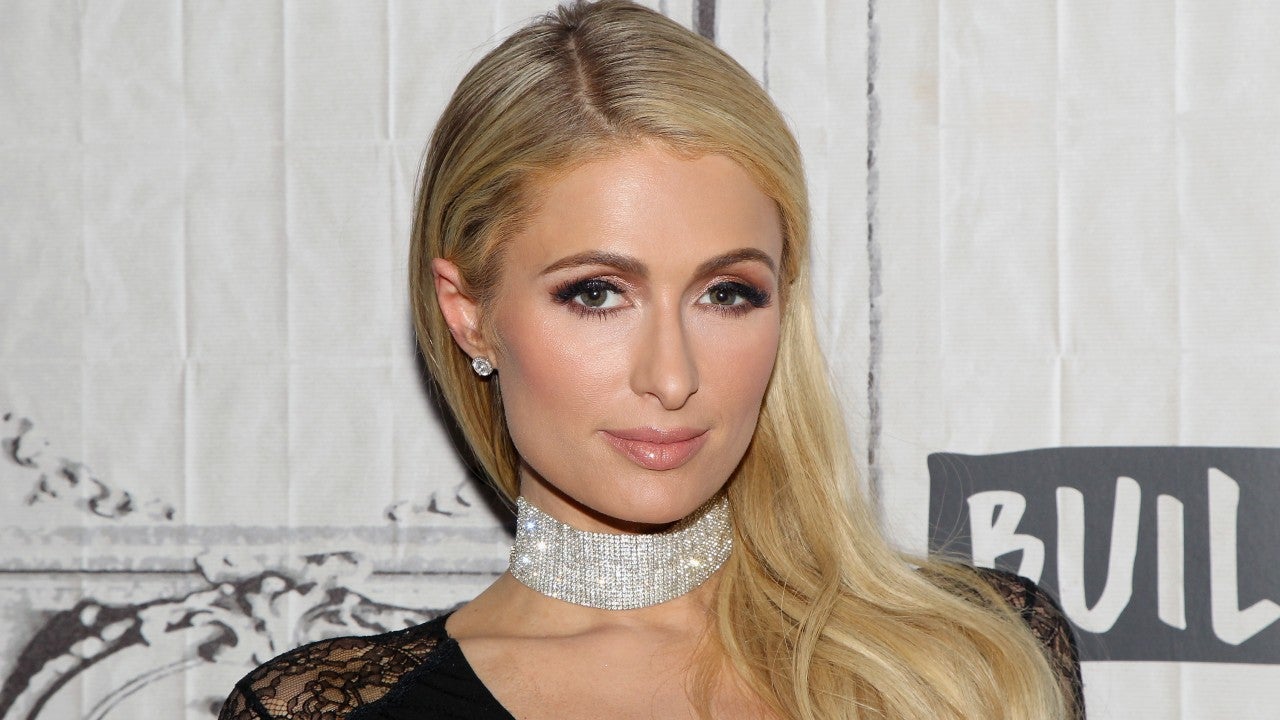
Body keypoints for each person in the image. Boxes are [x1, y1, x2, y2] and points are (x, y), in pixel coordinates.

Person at [218, 1, 1083, 718]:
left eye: (726, 293)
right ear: (469, 314)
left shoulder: (977, 661)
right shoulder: (323, 711)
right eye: (597, 293)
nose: (672, 378)